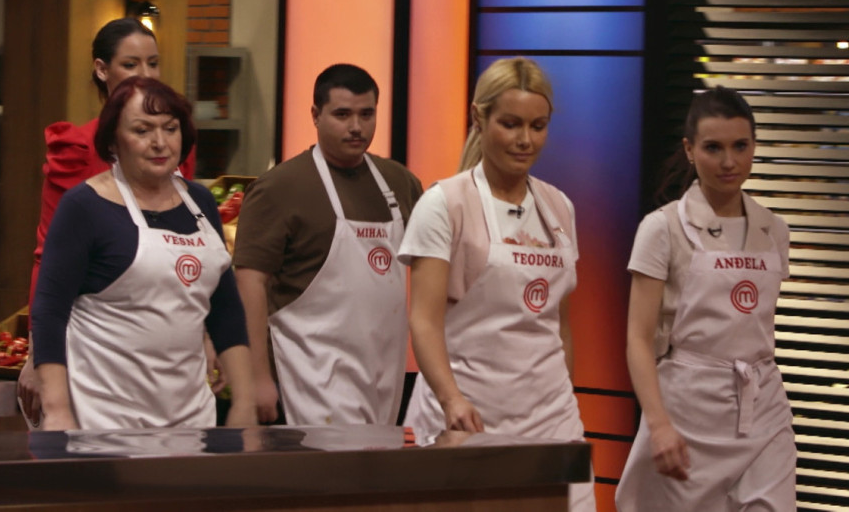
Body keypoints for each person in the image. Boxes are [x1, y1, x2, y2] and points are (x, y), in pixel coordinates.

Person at [399, 58, 595, 512]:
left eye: (538, 126)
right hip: (468, 414)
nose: (526, 140)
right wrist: (451, 399)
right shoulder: (444, 204)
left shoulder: (559, 207)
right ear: (479, 118)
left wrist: (564, 394)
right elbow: (423, 321)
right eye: (510, 124)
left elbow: (559, 323)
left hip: (551, 418)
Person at [31, 76, 255, 430]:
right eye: (142, 130)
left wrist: (245, 401)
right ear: (113, 140)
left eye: (170, 128)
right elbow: (49, 312)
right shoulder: (84, 206)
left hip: (190, 418)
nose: (159, 142)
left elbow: (225, 308)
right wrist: (57, 409)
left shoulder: (199, 202)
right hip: (103, 418)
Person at [615, 86, 794, 510]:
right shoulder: (662, 228)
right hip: (687, 410)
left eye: (740, 146)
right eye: (713, 148)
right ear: (690, 150)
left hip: (762, 407)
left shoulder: (774, 229)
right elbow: (638, 339)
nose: (729, 162)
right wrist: (658, 424)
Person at [18, 18, 198, 423]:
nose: (145, 75)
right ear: (102, 70)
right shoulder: (78, 149)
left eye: (153, 63)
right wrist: (37, 352)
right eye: (130, 65)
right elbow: (47, 258)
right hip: (93, 340)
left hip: (167, 342)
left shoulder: (176, 148)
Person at [232, 63, 423, 425]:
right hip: (310, 373)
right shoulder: (280, 187)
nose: (356, 127)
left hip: (385, 369)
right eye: (342, 114)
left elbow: (430, 272)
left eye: (366, 114)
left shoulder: (400, 182)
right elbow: (249, 283)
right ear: (315, 115)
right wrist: (256, 377)